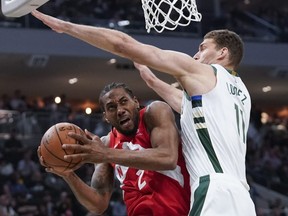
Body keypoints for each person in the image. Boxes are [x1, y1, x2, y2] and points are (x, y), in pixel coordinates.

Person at [32, 10, 256, 215]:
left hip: (214, 191)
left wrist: (67, 27)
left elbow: (122, 44)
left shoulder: (204, 74)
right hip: (242, 197)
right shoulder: (240, 94)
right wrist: (148, 76)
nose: (196, 54)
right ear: (106, 115)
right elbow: (178, 99)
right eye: (111, 107)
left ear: (222, 53)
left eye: (203, 47)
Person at [38, 82, 190, 215]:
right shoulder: (105, 143)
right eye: (112, 107)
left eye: (124, 102)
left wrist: (106, 154)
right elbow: (98, 204)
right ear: (106, 116)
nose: (120, 110)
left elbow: (168, 158)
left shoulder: (155, 112)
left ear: (136, 102)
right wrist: (68, 175)